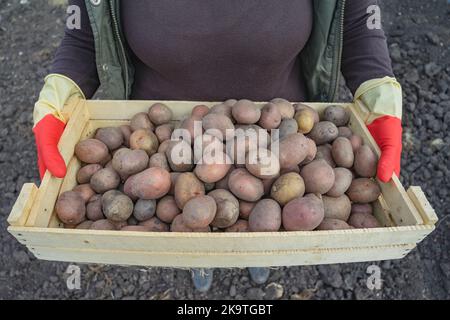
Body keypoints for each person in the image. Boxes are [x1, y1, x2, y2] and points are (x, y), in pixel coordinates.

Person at [33, 0, 402, 292]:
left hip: (282, 126)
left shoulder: (300, 164)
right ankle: (201, 257)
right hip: (171, 126)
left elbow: (357, 24)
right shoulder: (152, 163)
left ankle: (261, 253)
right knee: (194, 219)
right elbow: (83, 35)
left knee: (263, 218)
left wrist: (377, 95)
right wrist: (60, 97)